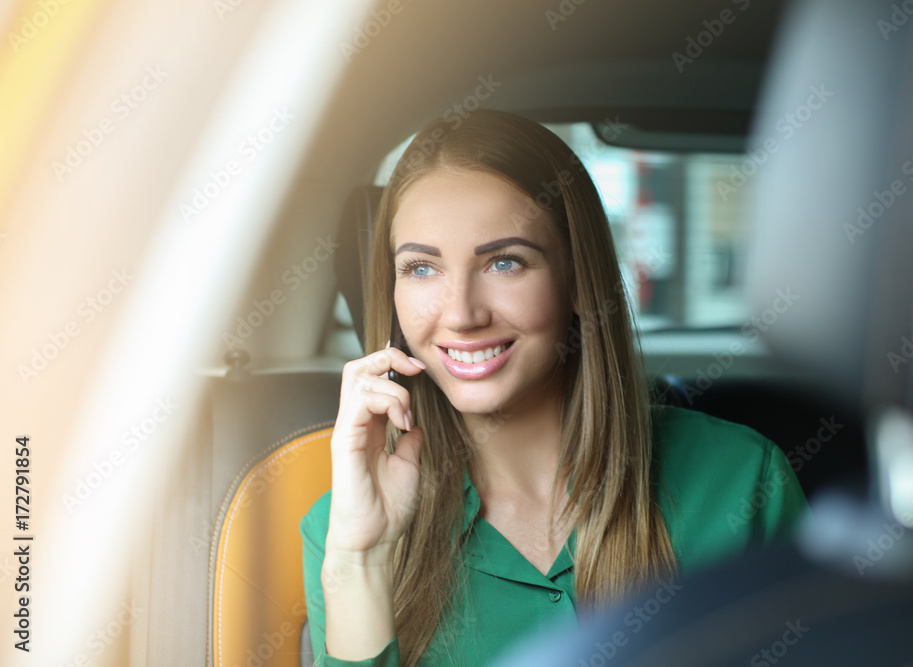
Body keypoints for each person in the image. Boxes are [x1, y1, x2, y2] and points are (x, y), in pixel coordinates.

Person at [300, 109, 809, 667]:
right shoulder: (345, 529)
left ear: (575, 278)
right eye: (422, 269)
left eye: (504, 262)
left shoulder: (743, 481)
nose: (462, 313)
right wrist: (361, 563)